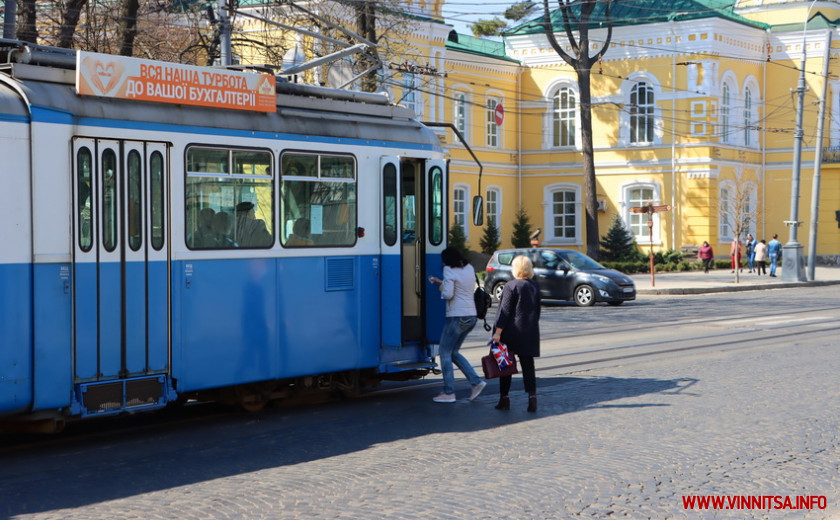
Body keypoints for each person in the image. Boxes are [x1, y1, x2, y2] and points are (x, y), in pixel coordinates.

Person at [428, 246, 487, 403]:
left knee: (445, 352)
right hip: (471, 316)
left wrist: (441, 285)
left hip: (457, 316)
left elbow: (449, 293)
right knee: (453, 352)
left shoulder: (449, 270)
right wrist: (441, 282)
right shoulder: (469, 268)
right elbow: (460, 287)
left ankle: (449, 392)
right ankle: (476, 382)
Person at [492, 255, 541, 413]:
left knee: (506, 365)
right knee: (528, 365)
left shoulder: (511, 286)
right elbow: (537, 311)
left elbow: (505, 311)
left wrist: (498, 331)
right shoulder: (534, 286)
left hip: (511, 332)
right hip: (529, 331)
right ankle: (532, 398)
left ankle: (504, 399)